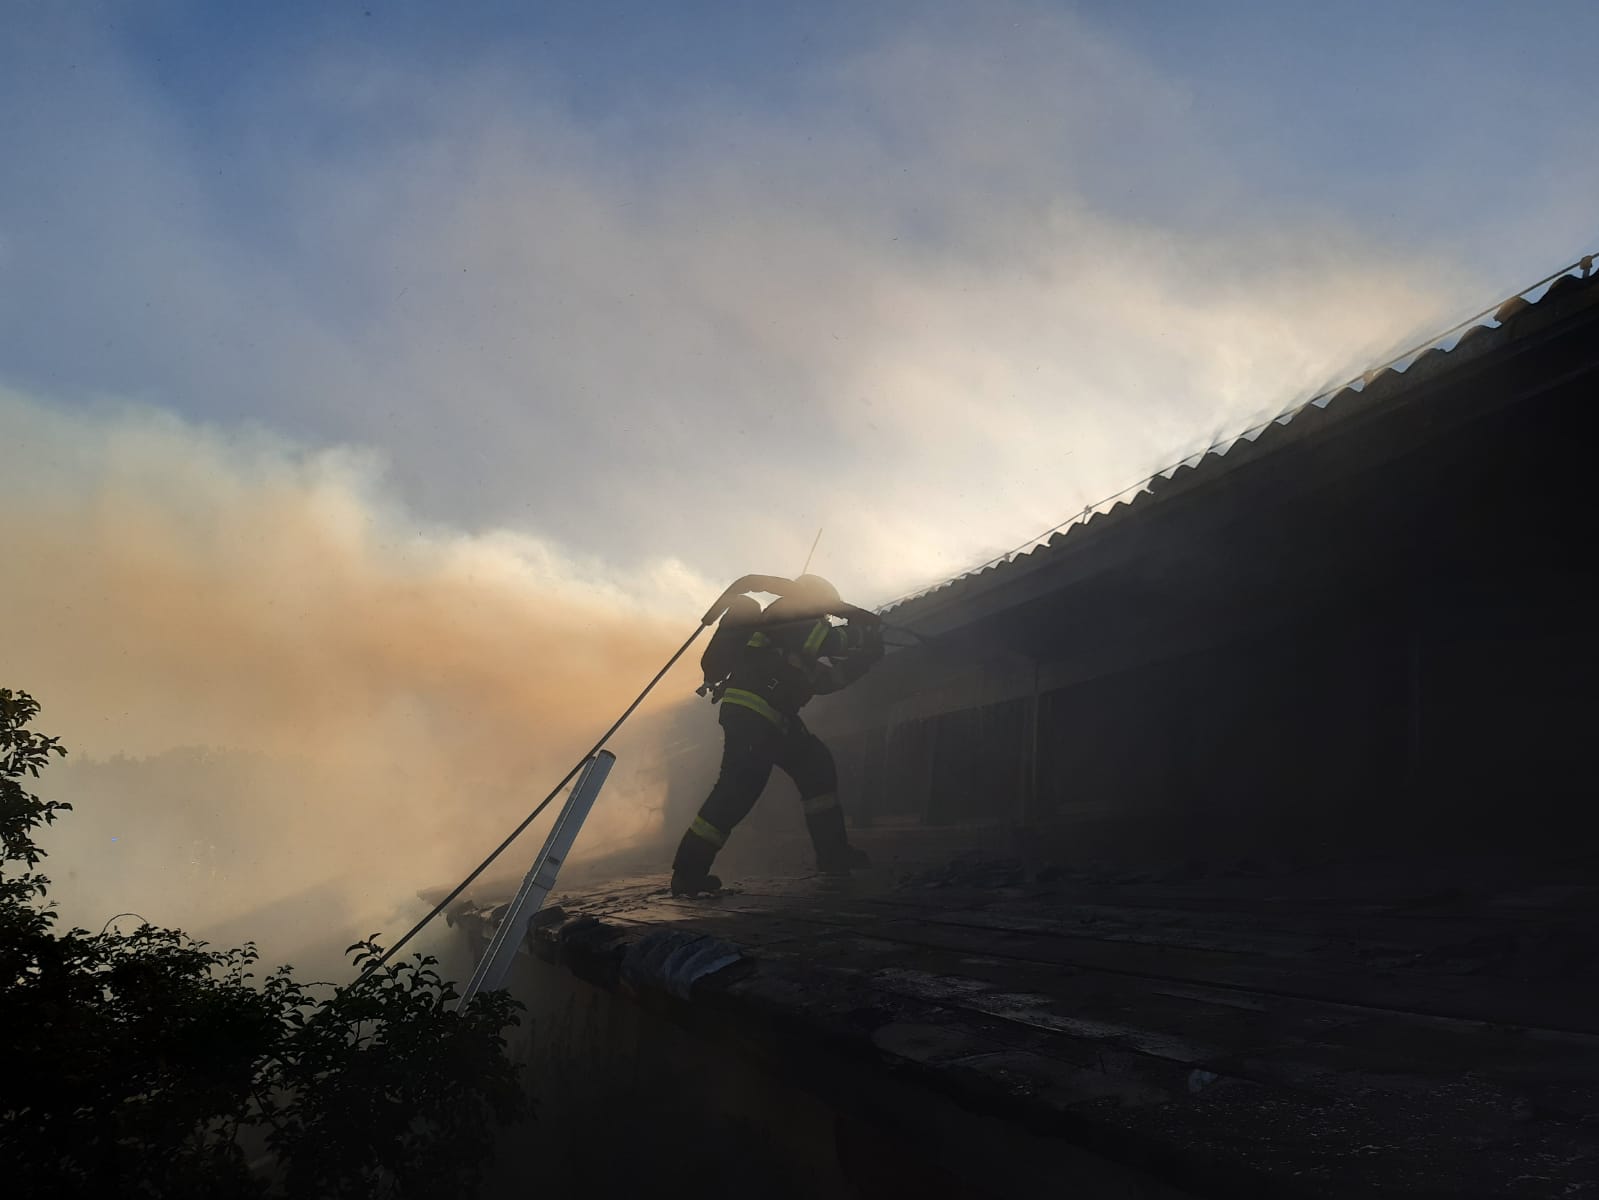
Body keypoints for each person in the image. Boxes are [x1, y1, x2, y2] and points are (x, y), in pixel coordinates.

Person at [671, 574, 884, 896]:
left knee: (817, 768)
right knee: (738, 789)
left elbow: (825, 682)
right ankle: (688, 872)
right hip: (752, 711)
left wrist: (863, 662)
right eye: (825, 611)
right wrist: (863, 635)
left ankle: (833, 855)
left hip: (777, 719)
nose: (826, 617)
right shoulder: (790, 610)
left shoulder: (798, 638)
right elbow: (826, 640)